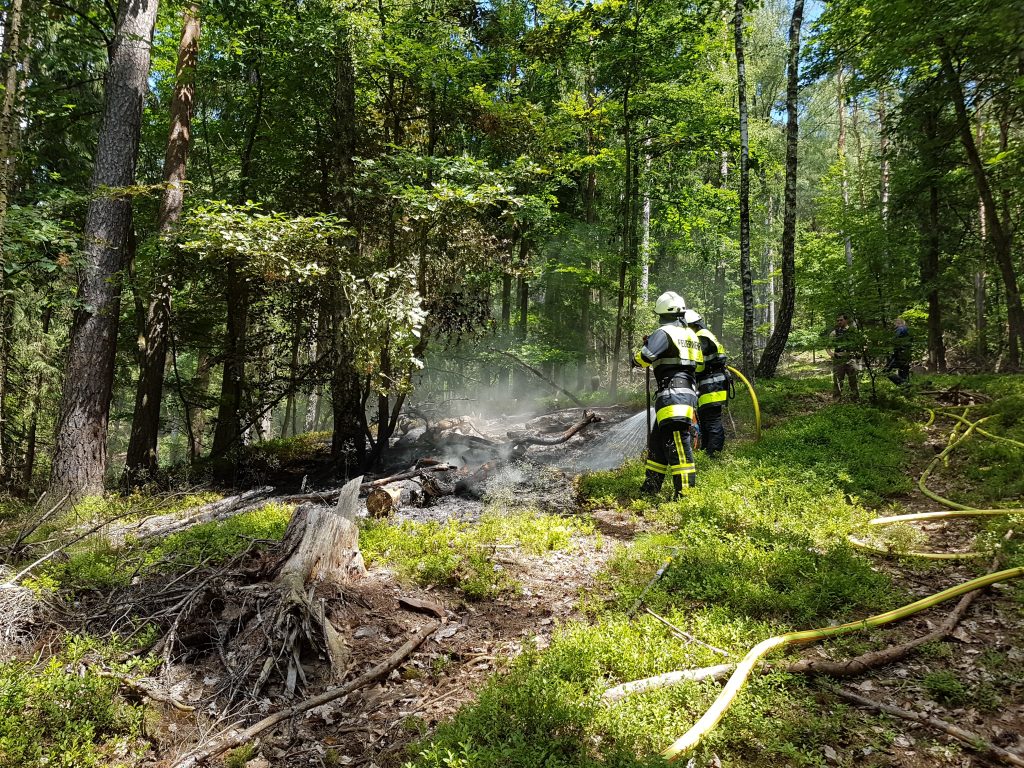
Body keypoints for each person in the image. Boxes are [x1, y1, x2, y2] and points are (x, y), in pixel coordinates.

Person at [632, 291, 704, 498]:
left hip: (673, 395)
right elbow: (695, 366)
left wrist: (636, 358)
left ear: (662, 314)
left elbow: (645, 357)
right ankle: (650, 488)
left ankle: (686, 494)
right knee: (658, 443)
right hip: (685, 393)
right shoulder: (690, 335)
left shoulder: (664, 333)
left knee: (678, 445)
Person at [683, 309, 728, 456]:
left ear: (692, 325)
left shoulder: (702, 337)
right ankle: (706, 452)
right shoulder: (702, 335)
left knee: (712, 421)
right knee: (704, 420)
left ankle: (714, 455)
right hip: (708, 384)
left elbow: (699, 363)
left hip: (712, 384)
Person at [827, 314, 860, 401]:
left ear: (846, 320)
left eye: (841, 320)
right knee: (837, 381)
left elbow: (861, 343)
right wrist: (831, 354)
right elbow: (828, 346)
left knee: (853, 380)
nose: (839, 322)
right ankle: (837, 400)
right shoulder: (834, 333)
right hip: (838, 359)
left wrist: (859, 353)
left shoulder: (854, 331)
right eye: (837, 320)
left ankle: (855, 399)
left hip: (851, 359)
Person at [884, 317, 911, 386]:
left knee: (886, 371)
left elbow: (896, 341)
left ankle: (904, 384)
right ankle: (906, 390)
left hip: (899, 354)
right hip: (906, 354)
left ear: (898, 323)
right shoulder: (908, 330)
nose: (894, 326)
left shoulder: (900, 329)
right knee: (903, 373)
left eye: (895, 324)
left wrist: (894, 353)